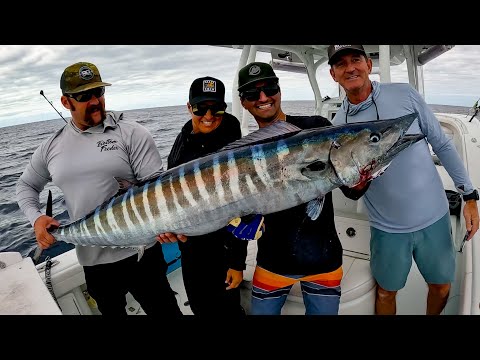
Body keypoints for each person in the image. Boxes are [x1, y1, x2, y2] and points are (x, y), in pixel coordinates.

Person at [16, 61, 183, 317]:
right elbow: (25, 185)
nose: (95, 101)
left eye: (99, 92)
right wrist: (36, 218)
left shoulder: (132, 133)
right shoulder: (51, 147)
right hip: (93, 260)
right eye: (84, 96)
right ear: (65, 102)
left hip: (142, 255)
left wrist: (169, 223)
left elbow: (157, 192)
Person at [327, 45, 480, 315]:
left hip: (434, 218)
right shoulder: (339, 126)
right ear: (333, 74)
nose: (350, 68)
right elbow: (348, 184)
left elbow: (442, 145)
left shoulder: (404, 95)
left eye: (356, 60)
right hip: (387, 229)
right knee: (386, 292)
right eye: (341, 64)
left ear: (368, 65)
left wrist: (469, 195)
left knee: (441, 286)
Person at [236, 61, 352, 315]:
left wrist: (364, 169)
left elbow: (353, 190)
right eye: (253, 94)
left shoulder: (316, 126)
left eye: (269, 88)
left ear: (279, 90)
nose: (263, 97)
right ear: (243, 102)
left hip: (324, 261)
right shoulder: (241, 153)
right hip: (272, 263)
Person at [156, 76, 248, 316]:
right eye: (200, 108)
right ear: (189, 107)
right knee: (199, 307)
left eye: (216, 108)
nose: (209, 115)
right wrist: (169, 229)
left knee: (229, 310)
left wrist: (237, 263)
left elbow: (241, 207)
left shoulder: (232, 138)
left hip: (223, 249)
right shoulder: (182, 141)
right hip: (191, 249)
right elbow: (174, 196)